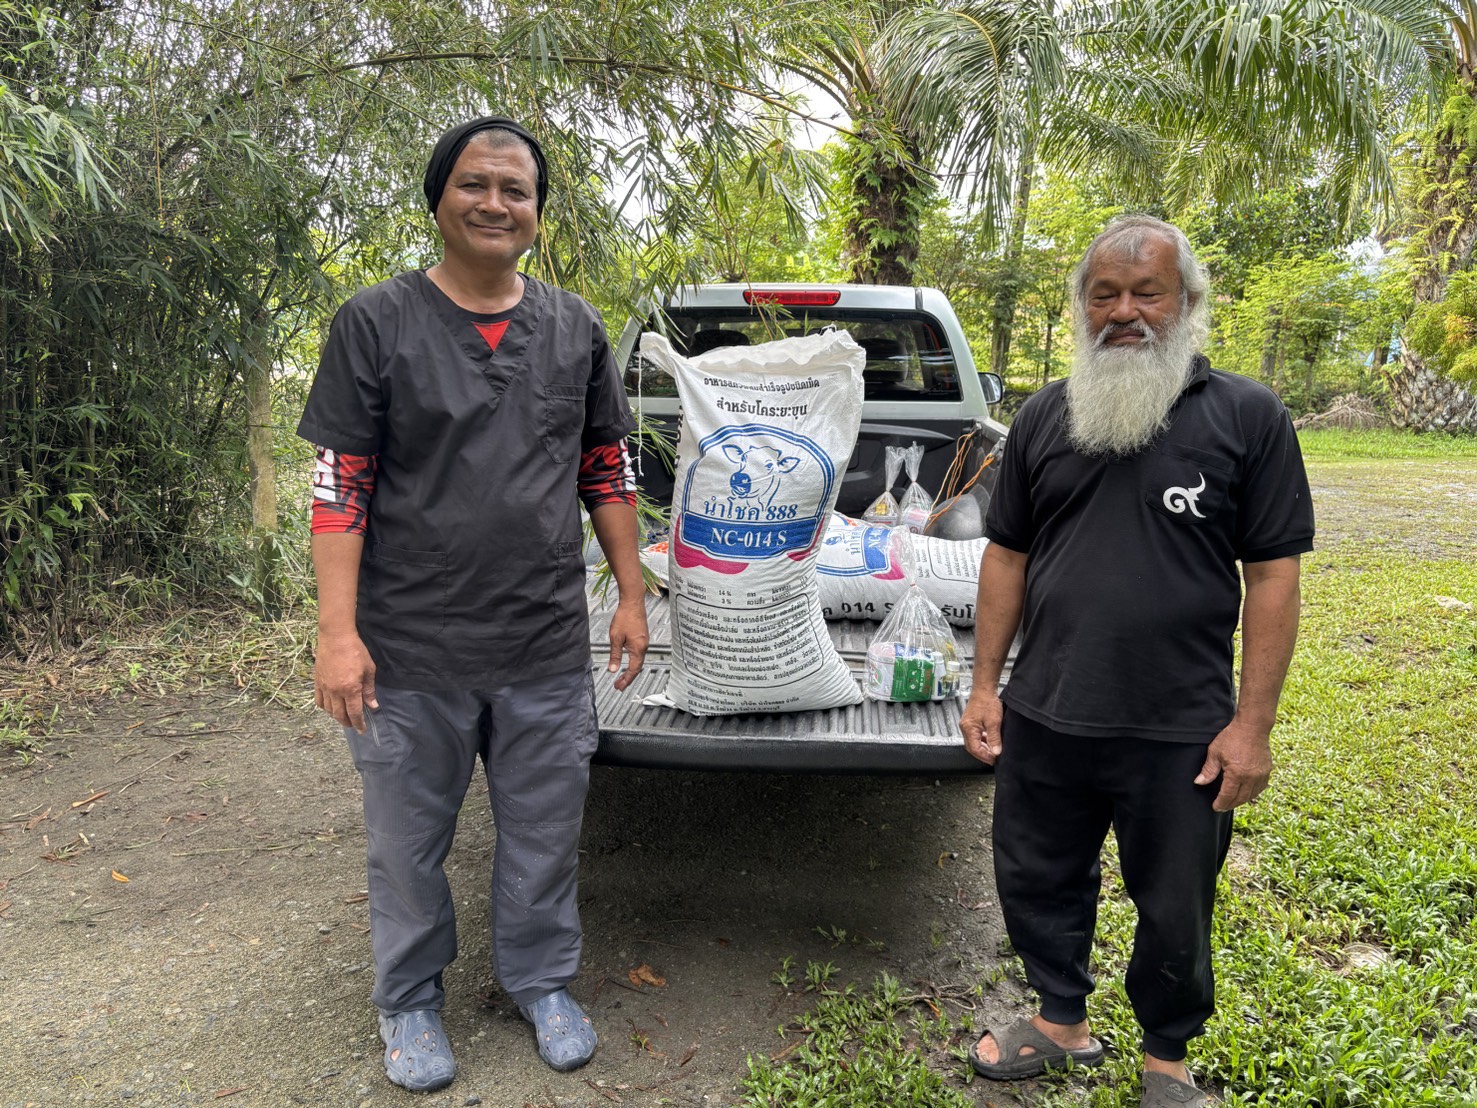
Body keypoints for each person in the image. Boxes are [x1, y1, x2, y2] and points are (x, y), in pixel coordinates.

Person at [297, 115, 649, 1091]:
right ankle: (410, 999)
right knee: (409, 842)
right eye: (474, 184)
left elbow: (605, 466)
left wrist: (629, 593)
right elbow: (340, 486)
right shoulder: (376, 323)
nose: (495, 203)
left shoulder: (573, 328)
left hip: (541, 640)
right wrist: (336, 633)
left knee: (543, 831)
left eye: (515, 190)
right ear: (438, 198)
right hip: (411, 646)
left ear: (536, 211)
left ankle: (540, 981)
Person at [959, 215, 1313, 1107]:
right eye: (1103, 295)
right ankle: (1059, 1022)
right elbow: (1006, 556)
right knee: (1036, 874)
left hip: (1180, 721)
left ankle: (1166, 1060)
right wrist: (984, 685)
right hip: (1046, 707)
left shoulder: (1247, 416)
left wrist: (1252, 726)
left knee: (1175, 901)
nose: (1123, 312)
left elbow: (1272, 575)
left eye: (1146, 292)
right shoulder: (1043, 415)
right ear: (1081, 307)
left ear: (1185, 301)